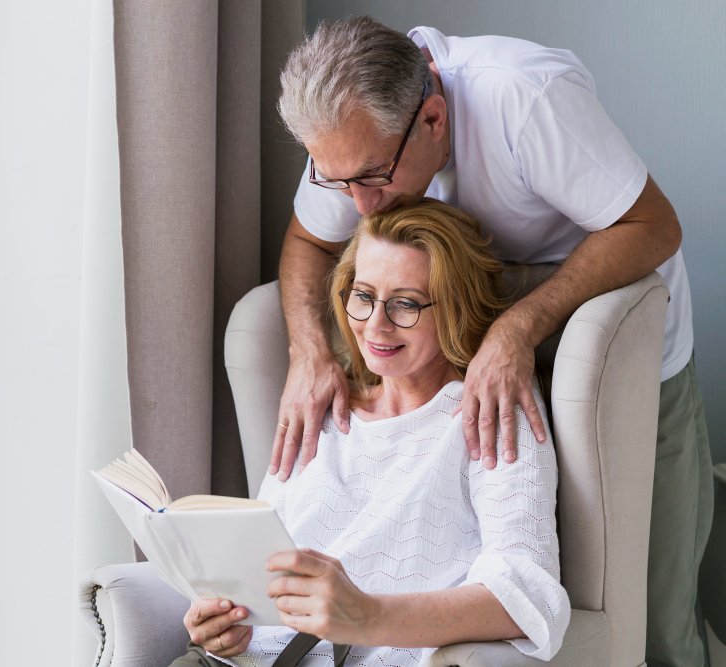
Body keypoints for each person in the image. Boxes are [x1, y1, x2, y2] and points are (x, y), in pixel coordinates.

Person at [271, 17, 712, 666]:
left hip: (610, 332)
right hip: (455, 332)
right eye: (339, 182)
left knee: (660, 615)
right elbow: (308, 242)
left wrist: (517, 325)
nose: (362, 209)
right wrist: (308, 350)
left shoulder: (527, 100)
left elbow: (653, 225)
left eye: (373, 177)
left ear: (434, 119)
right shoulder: (355, 142)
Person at [170, 200, 570, 666]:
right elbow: (260, 572)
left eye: (406, 303)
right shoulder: (318, 407)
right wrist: (222, 624)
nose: (375, 325)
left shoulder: (489, 412)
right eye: (363, 296)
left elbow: (528, 594)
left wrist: (365, 615)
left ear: (457, 307)